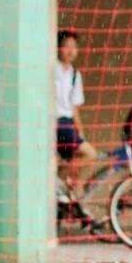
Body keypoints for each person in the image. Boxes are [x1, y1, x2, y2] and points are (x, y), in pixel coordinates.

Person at [55, 30, 97, 197]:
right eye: (66, 47)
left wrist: (80, 132)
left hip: (66, 124)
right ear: (58, 48)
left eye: (74, 47)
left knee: (79, 161)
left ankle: (65, 191)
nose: (71, 51)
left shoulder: (74, 75)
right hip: (54, 122)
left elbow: (74, 108)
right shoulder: (50, 69)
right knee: (89, 154)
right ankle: (55, 180)